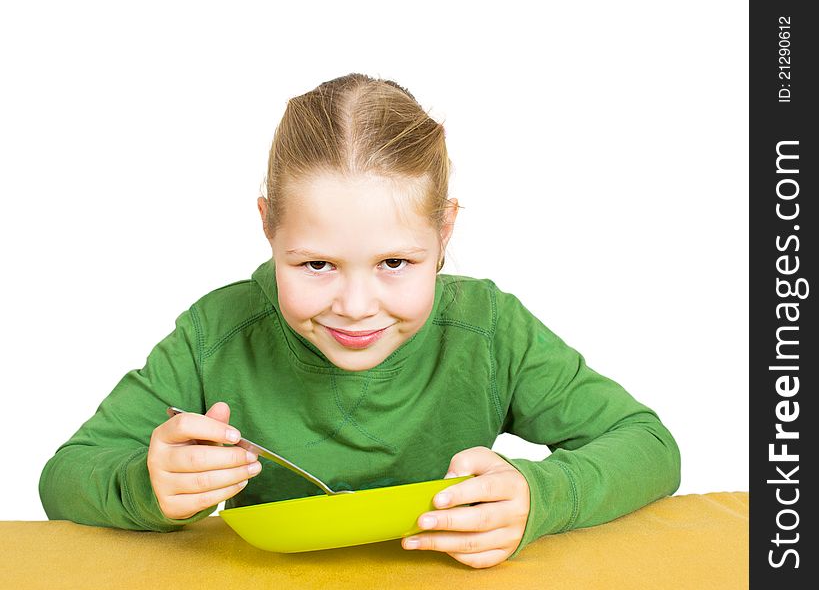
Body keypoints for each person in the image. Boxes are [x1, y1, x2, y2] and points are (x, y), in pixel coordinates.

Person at [39, 72, 681, 569]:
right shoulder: (217, 334)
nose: (354, 305)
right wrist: (146, 484)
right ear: (267, 226)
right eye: (316, 264)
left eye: (396, 261)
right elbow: (65, 477)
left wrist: (540, 496)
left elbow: (649, 445)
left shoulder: (489, 330)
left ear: (446, 230)